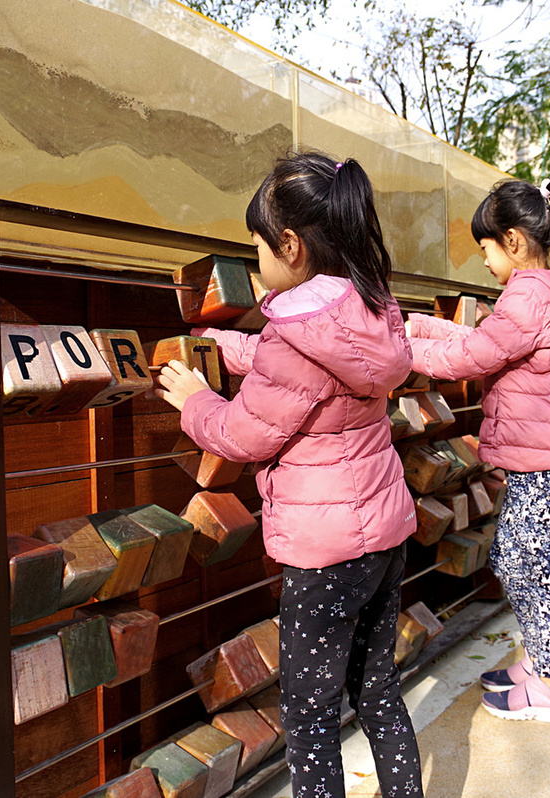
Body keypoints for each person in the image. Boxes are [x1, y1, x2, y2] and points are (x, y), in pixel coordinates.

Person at [155, 151, 423, 798]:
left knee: (309, 718)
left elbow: (243, 433)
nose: (255, 265)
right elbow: (303, 372)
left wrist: (195, 397)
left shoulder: (294, 331)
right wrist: (228, 349)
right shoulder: (368, 309)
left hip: (324, 554)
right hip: (384, 536)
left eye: (256, 249)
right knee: (380, 694)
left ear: (291, 245)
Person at [403, 177, 550, 723]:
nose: (482, 261)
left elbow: (474, 356)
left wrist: (400, 348)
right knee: (523, 560)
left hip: (537, 455)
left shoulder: (527, 295)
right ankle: (539, 663)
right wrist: (415, 324)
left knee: (526, 564)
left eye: (484, 248)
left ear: (511, 241)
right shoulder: (547, 290)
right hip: (540, 453)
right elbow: (482, 342)